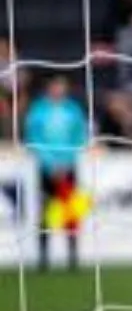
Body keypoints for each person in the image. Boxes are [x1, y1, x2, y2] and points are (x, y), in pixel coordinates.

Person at [24, 75, 89, 272]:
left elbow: (80, 137)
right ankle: (43, 259)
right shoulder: (38, 110)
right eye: (56, 85)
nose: (59, 89)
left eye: (62, 86)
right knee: (45, 212)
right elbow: (32, 138)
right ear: (49, 87)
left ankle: (73, 258)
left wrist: (66, 163)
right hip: (46, 170)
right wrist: (51, 164)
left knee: (71, 213)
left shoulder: (73, 109)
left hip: (68, 168)